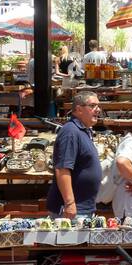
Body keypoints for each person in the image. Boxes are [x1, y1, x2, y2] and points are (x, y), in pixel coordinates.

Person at [46, 90, 103, 218]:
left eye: (98, 106)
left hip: (82, 209)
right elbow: (62, 169)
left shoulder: (83, 130)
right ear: (78, 109)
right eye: (93, 106)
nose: (98, 109)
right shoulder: (70, 132)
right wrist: (69, 203)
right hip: (71, 211)